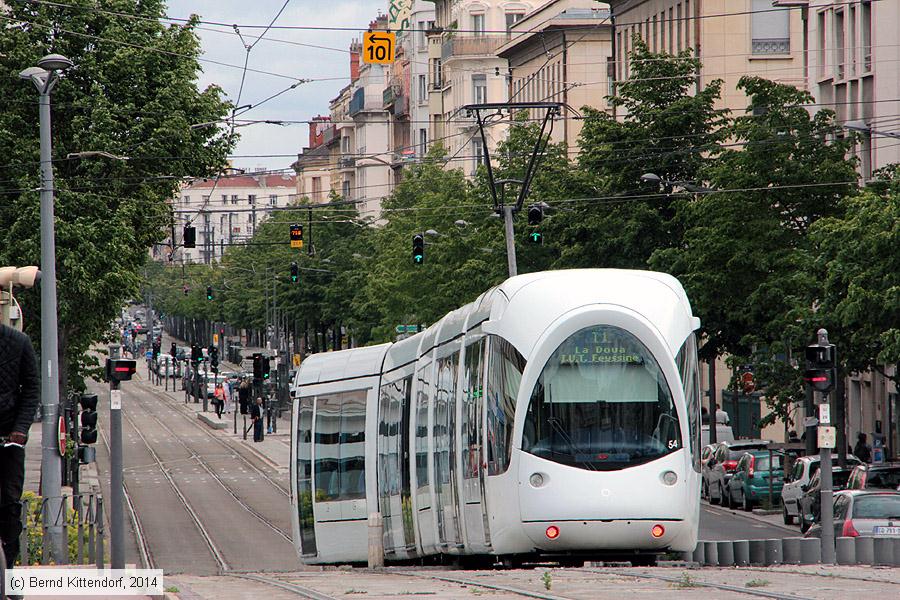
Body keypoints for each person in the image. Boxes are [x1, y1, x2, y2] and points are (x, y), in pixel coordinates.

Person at [0, 323, 40, 583]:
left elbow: (32, 389)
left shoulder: (18, 342)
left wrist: (20, 430)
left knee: (9, 504)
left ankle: (10, 570)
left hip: (8, 440)